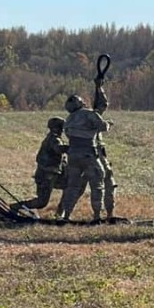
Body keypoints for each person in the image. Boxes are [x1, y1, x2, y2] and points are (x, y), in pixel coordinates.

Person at [57, 92, 110, 224]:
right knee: (97, 181)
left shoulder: (68, 120)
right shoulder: (89, 114)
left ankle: (66, 215)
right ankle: (97, 216)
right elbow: (102, 126)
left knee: (72, 186)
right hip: (88, 154)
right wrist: (108, 124)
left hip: (73, 155)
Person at [11, 117, 68, 217]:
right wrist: (73, 147)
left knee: (69, 188)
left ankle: (60, 214)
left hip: (52, 174)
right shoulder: (54, 139)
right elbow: (59, 149)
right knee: (41, 202)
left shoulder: (52, 138)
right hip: (46, 175)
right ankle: (16, 206)